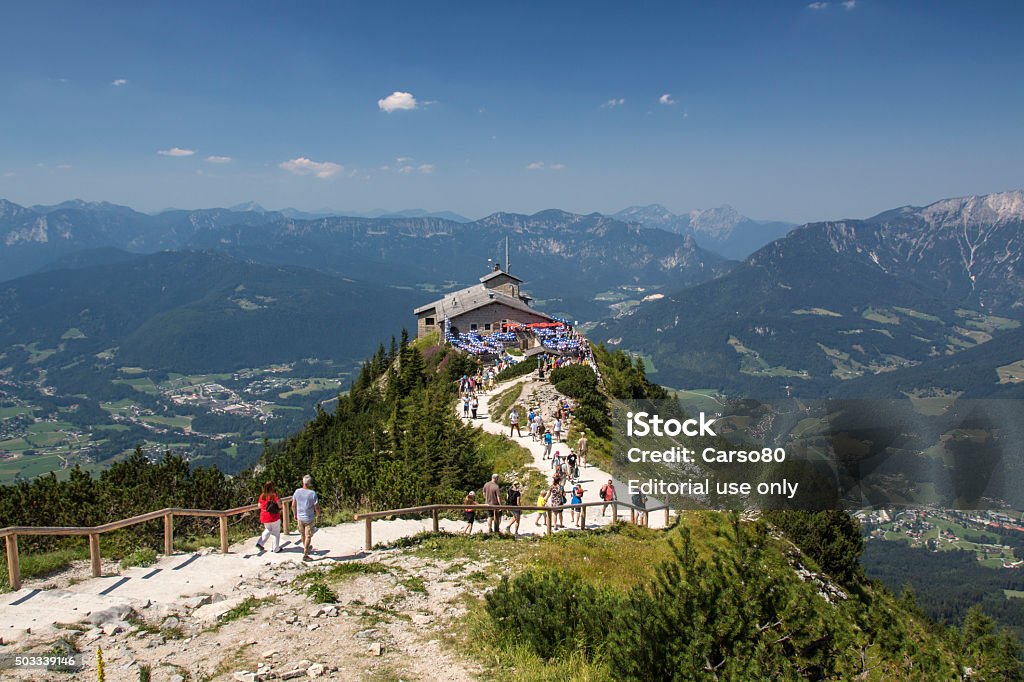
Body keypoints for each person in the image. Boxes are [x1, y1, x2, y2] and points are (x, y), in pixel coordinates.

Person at [293, 474, 321, 561]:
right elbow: (316, 506)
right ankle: (305, 554)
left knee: (302, 534)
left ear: (303, 482)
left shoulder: (297, 492)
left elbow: (293, 505)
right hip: (309, 518)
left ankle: (305, 547)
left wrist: (295, 514)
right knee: (308, 535)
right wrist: (319, 515)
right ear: (310, 483)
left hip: (300, 517)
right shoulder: (312, 493)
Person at [256, 481, 282, 553]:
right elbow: (280, 505)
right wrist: (280, 508)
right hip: (273, 516)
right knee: (276, 533)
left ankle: (260, 543)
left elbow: (259, 505)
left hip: (264, 515)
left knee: (268, 529)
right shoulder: (274, 495)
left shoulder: (262, 496)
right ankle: (276, 548)